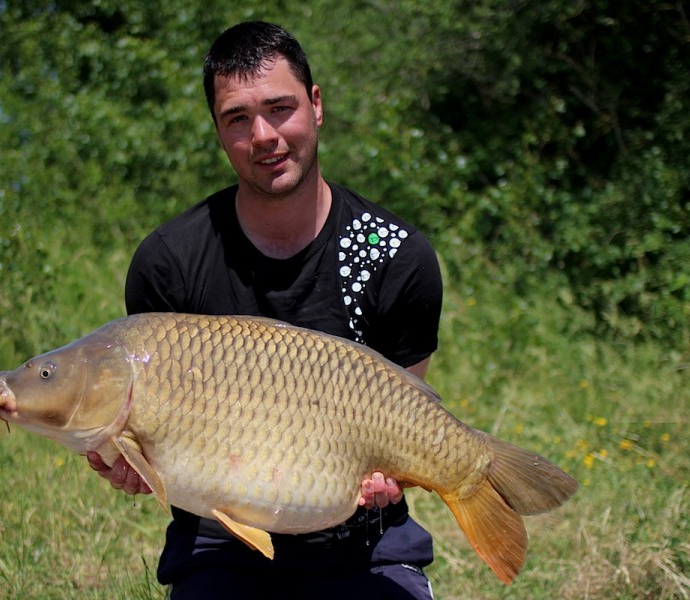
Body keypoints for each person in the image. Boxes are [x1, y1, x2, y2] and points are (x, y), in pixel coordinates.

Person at [87, 21, 442, 599]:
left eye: (281, 108)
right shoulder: (169, 262)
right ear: (218, 130)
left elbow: (406, 416)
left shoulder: (397, 256)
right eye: (237, 118)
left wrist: (395, 476)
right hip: (220, 547)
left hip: (365, 545)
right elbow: (159, 454)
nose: (264, 135)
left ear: (316, 105)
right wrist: (136, 465)